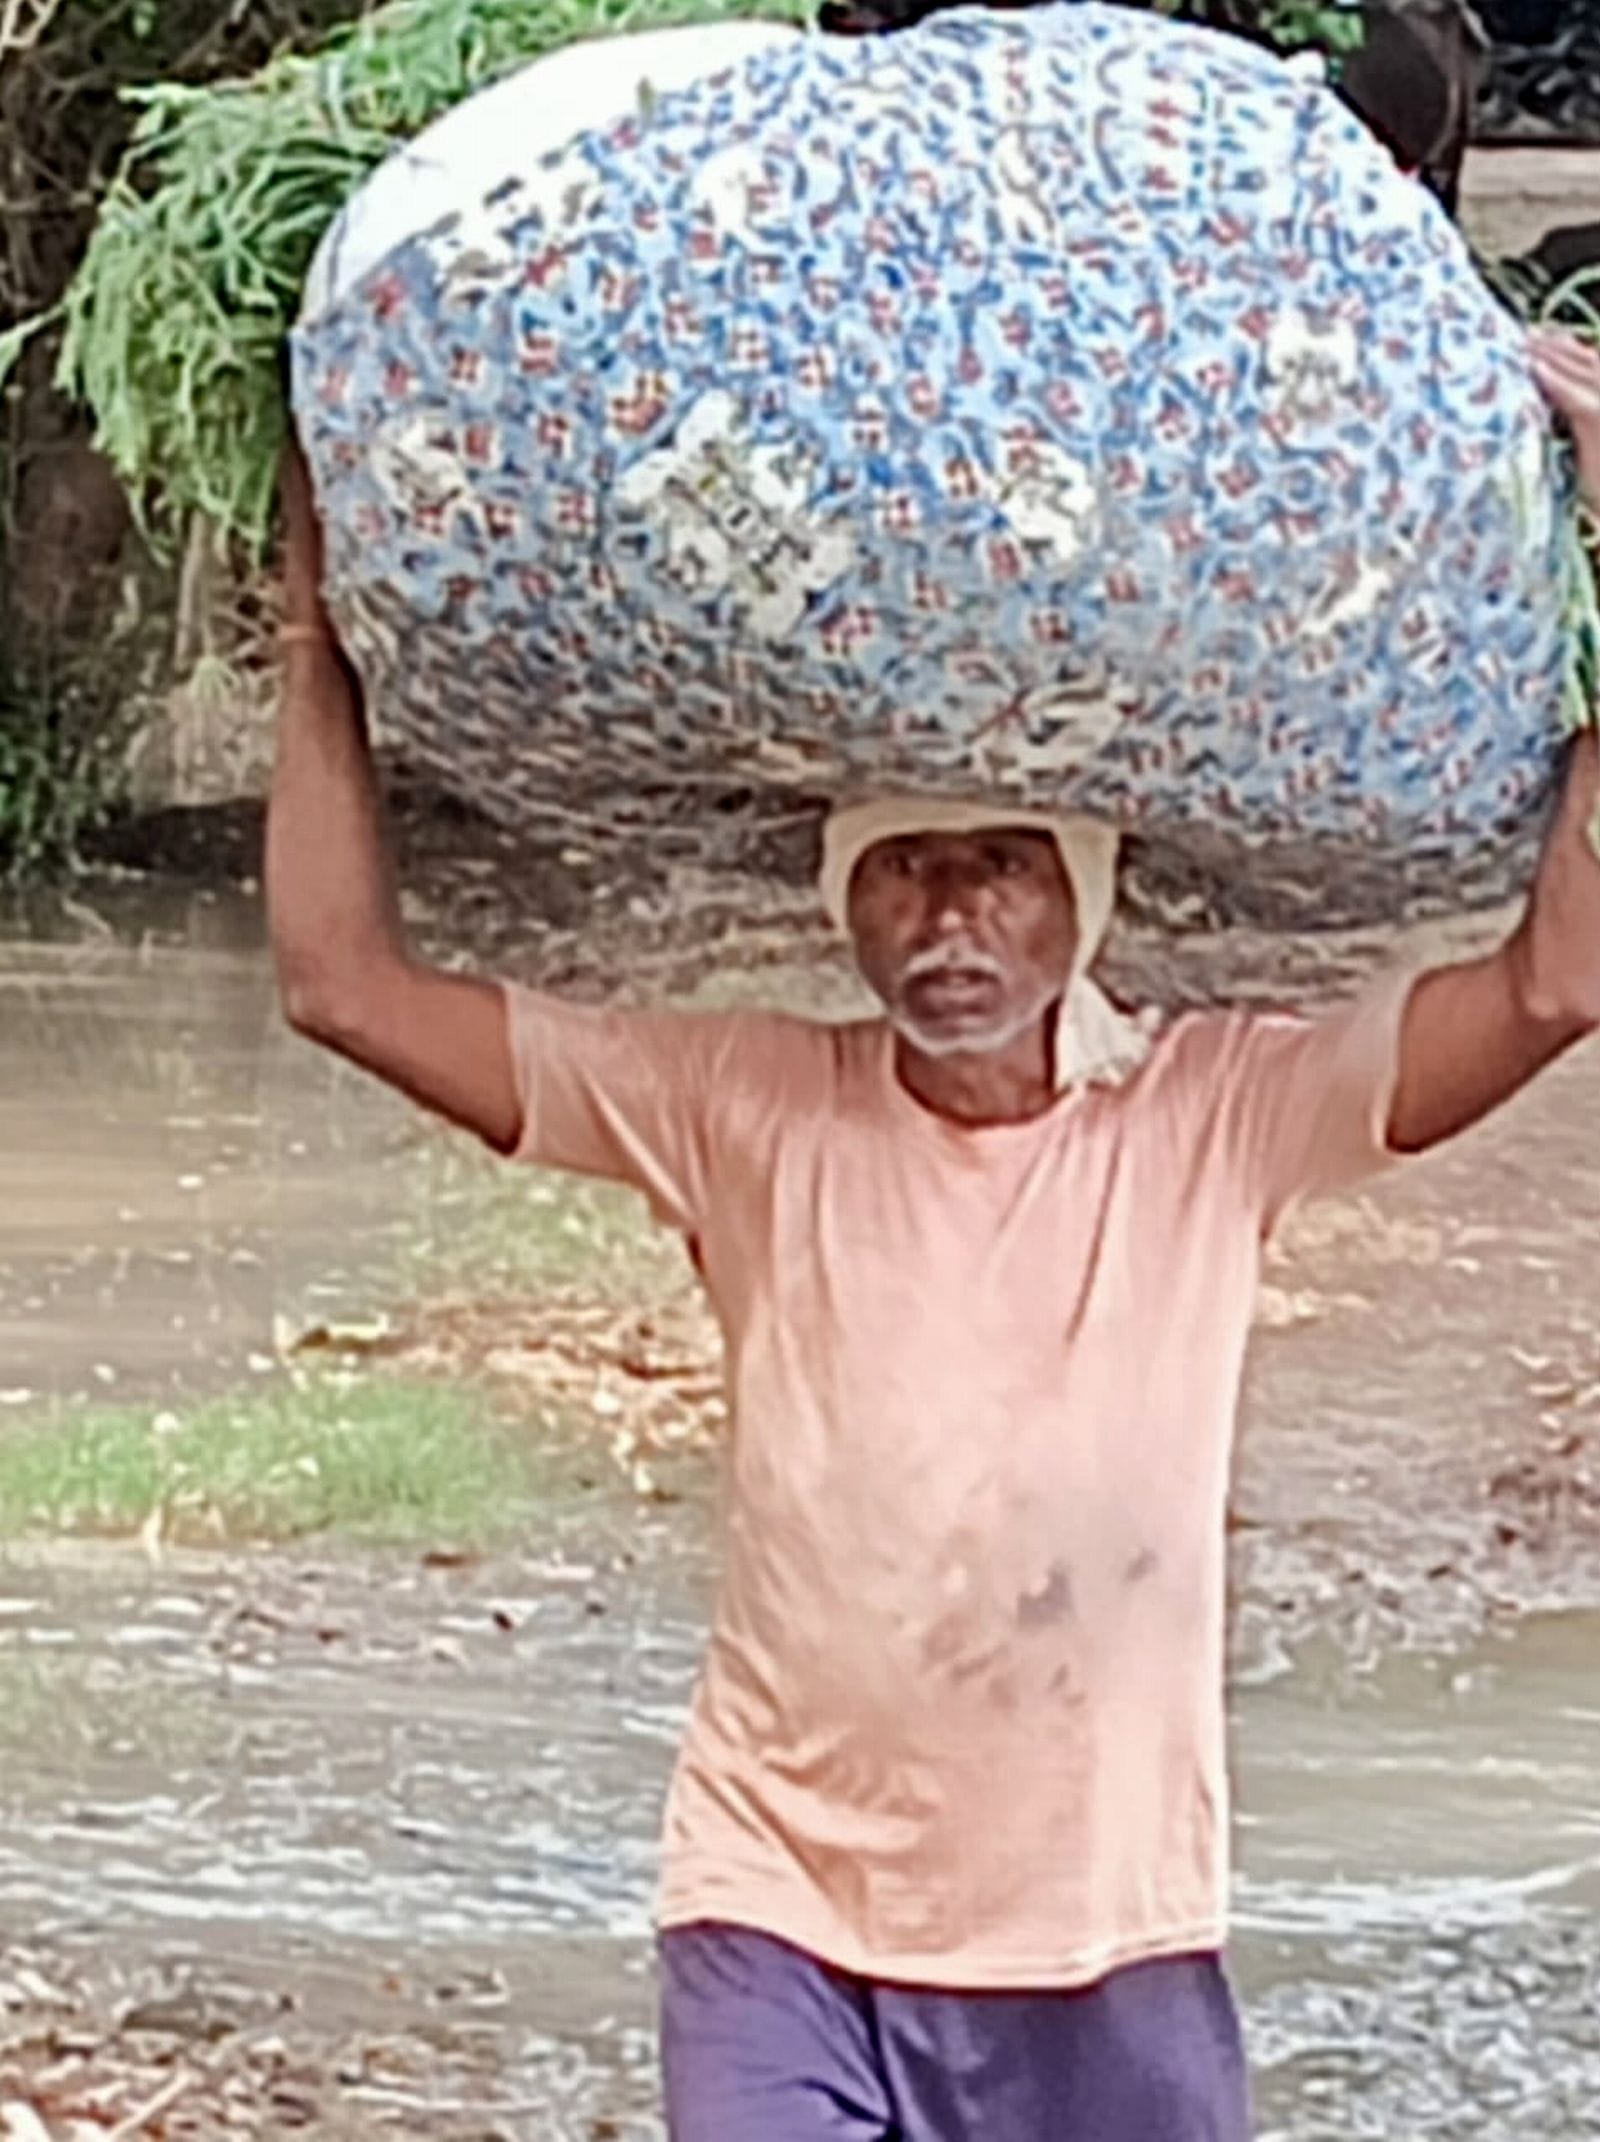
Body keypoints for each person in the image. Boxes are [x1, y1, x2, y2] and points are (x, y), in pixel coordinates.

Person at [266, 330, 1600, 2141]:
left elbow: (1556, 976)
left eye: (1003, 864)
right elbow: (344, 983)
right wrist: (314, 641)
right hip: (778, 1909)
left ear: (1085, 898)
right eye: (903, 865)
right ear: (846, 904)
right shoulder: (746, 1108)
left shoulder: (1211, 1120)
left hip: (1105, 1932)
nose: (950, 911)